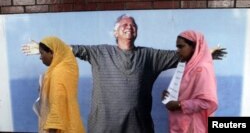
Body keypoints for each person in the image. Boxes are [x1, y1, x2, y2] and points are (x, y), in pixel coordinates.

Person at [22, 14, 226, 133]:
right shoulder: (99, 52)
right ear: (115, 32)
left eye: (132, 25)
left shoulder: (149, 56)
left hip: (139, 127)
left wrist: (205, 53)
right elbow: (69, 49)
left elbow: (181, 55)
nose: (129, 27)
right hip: (103, 127)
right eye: (124, 25)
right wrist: (43, 46)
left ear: (136, 31)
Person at [162, 30, 218, 133]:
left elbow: (207, 102)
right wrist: (169, 96)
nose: (177, 51)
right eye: (177, 47)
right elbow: (185, 93)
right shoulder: (186, 68)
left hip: (194, 127)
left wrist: (179, 104)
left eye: (181, 46)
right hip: (180, 125)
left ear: (193, 47)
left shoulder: (202, 69)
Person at [37, 36, 86, 133]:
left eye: (42, 53)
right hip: (73, 125)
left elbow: (57, 105)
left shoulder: (58, 74)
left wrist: (51, 130)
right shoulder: (65, 69)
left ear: (51, 52)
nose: (40, 57)